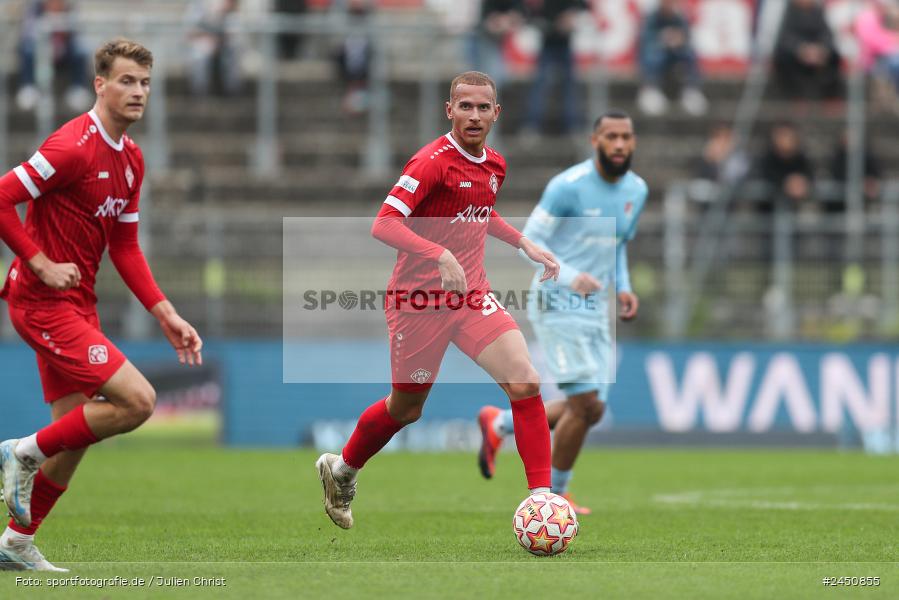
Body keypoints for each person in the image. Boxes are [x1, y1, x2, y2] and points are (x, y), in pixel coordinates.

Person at [316, 71, 560, 530]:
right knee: (406, 409)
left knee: (525, 381)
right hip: (419, 303)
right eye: (465, 106)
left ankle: (542, 503)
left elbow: (478, 210)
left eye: (482, 107)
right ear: (449, 110)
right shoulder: (430, 162)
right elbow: (384, 223)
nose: (474, 115)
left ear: (496, 113)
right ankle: (342, 469)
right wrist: (440, 254)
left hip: (471, 296)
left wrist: (522, 242)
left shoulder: (495, 165)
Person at [0, 39, 203, 571]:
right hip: (41, 301)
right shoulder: (71, 147)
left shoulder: (132, 159)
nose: (138, 92)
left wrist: (165, 312)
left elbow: (125, 247)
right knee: (137, 401)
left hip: (77, 304)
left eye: (145, 83)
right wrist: (40, 262)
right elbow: (1, 197)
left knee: (75, 432)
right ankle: (19, 452)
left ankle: (15, 544)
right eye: (126, 81)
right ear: (100, 84)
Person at [477, 112, 647, 514]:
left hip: (597, 308)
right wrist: (570, 277)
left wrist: (623, 286)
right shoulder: (567, 187)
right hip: (557, 301)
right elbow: (530, 243)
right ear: (595, 141)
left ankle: (499, 424)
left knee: (589, 409)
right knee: (585, 405)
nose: (619, 144)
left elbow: (618, 244)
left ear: (633, 142)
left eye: (625, 137)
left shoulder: (637, 190)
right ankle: (554, 497)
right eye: (610, 136)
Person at [520, 0, 587, 137]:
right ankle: (533, 125)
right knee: (541, 85)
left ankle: (572, 126)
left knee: (568, 86)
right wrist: (555, 23)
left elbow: (582, 7)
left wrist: (571, 15)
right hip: (549, 43)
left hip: (563, 44)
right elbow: (532, 15)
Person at [16, 0, 91, 112]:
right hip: (40, 52)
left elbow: (77, 31)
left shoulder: (70, 8)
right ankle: (29, 87)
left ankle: (78, 88)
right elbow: (27, 33)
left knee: (80, 50)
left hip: (64, 54)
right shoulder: (35, 8)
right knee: (27, 48)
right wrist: (47, 27)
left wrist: (63, 30)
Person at [636, 0, 708, 117]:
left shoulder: (680, 18)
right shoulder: (651, 18)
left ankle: (691, 90)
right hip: (658, 52)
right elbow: (645, 41)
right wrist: (663, 39)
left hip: (674, 53)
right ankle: (650, 88)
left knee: (689, 53)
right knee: (653, 54)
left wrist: (677, 39)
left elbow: (687, 36)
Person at [773, 0, 842, 100]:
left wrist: (820, 49)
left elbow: (826, 34)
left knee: (834, 56)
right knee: (783, 57)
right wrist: (801, 49)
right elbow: (784, 38)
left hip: (817, 52)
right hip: (797, 53)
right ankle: (795, 96)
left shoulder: (817, 11)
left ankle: (830, 96)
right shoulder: (788, 12)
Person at [757, 121, 814, 208]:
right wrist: (785, 183)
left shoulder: (801, 159)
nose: (784, 140)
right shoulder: (766, 158)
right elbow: (764, 175)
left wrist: (801, 182)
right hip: (768, 209)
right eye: (781, 135)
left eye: (787, 136)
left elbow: (809, 175)